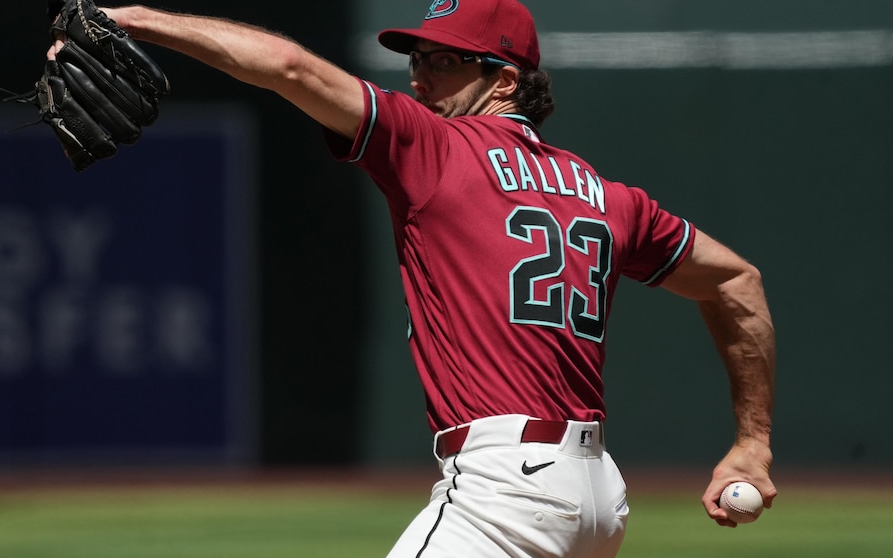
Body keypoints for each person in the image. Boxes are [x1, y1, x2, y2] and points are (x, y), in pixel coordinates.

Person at [53, 1, 777, 555]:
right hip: (597, 498)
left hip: (505, 491)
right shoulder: (609, 196)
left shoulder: (434, 147)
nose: (419, 75)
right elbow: (735, 281)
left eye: (445, 60)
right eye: (417, 58)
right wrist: (752, 441)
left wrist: (131, 18)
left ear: (505, 79)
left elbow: (291, 69)